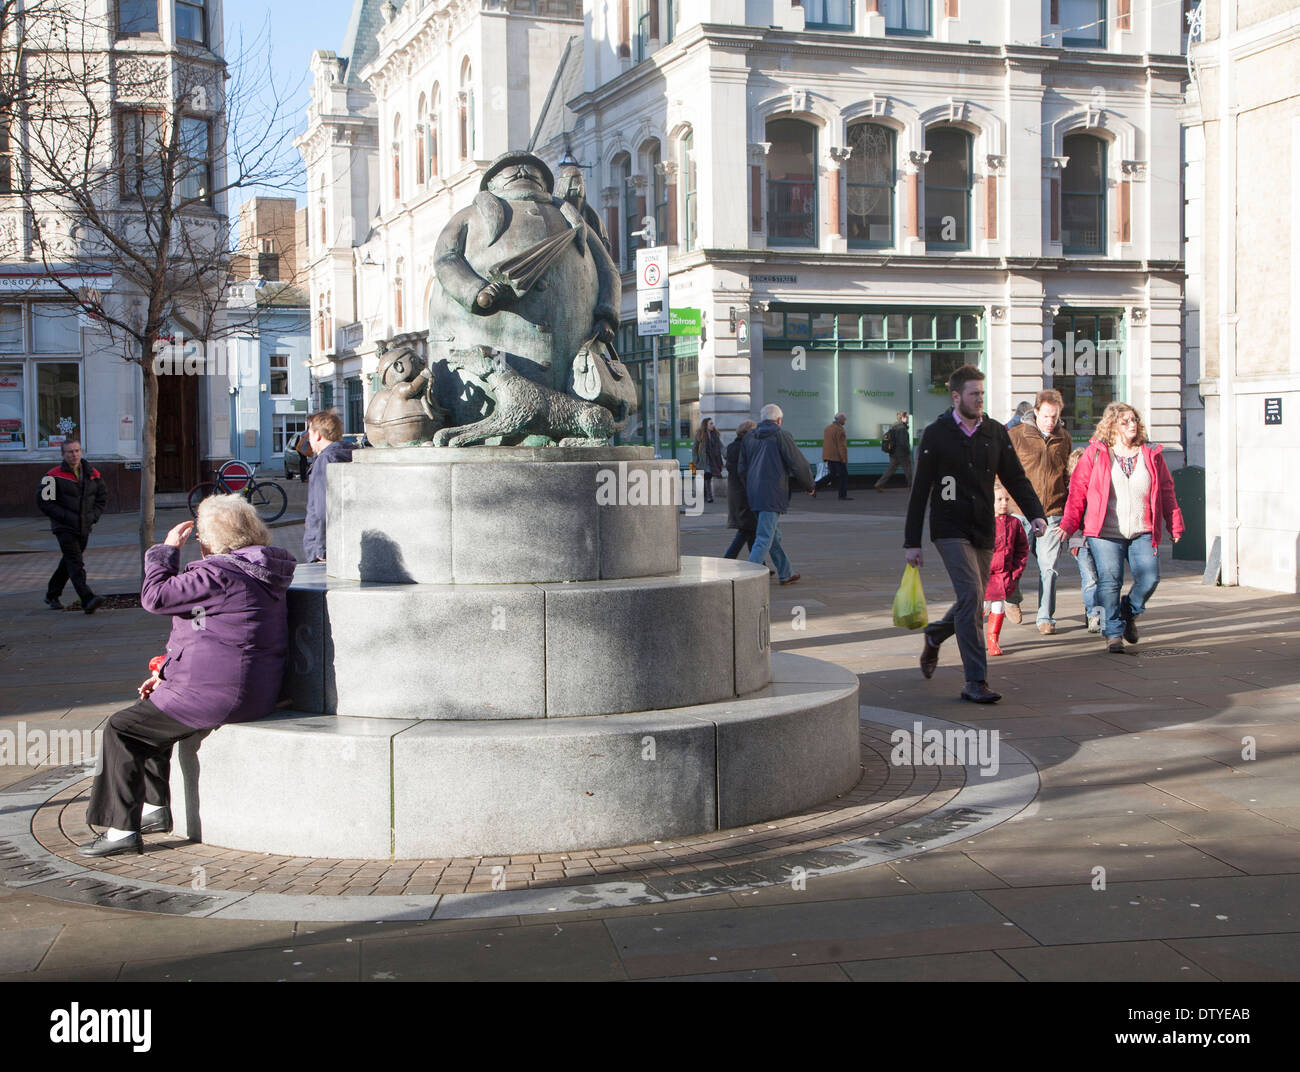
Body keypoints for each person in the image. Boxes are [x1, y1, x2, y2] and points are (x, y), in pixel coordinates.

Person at [78, 495, 298, 857]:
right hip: (251, 687)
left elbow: (155, 598)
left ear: (210, 539)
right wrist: (165, 672)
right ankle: (154, 810)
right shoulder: (260, 571)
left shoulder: (218, 574)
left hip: (219, 693)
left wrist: (165, 552)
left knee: (121, 728)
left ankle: (120, 831)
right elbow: (205, 633)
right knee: (148, 716)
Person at [904, 365, 1046, 704]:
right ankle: (975, 680)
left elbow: (1016, 478)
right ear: (956, 397)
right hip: (949, 529)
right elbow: (920, 489)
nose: (979, 399)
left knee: (974, 601)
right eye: (973, 394)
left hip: (985, 528)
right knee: (970, 596)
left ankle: (936, 634)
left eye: (982, 393)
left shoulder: (995, 432)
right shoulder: (937, 434)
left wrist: (1035, 513)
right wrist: (912, 542)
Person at [1061, 402, 1183, 653]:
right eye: (1125, 421)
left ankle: (1128, 611)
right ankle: (1113, 633)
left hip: (1142, 529)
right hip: (1105, 532)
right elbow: (1077, 493)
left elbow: (1167, 491)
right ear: (1112, 425)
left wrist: (1174, 523)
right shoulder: (1095, 454)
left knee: (1150, 577)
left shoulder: (1151, 455)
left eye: (1134, 420)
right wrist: (1068, 525)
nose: (1132, 425)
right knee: (1109, 583)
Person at [1006, 389, 1072, 634]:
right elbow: (1001, 472)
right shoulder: (1016, 436)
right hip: (1020, 512)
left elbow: (1066, 474)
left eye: (1054, 416)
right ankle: (1011, 597)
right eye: (1046, 415)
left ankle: (1046, 618)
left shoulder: (1064, 438)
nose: (1050, 421)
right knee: (1013, 565)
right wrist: (1000, 500)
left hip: (1052, 511)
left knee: (1049, 567)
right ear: (1035, 412)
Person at [738, 403, 814, 586]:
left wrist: (749, 487)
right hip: (772, 493)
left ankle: (786, 572)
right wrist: (809, 484)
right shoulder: (781, 435)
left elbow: (742, 468)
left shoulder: (749, 437)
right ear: (779, 420)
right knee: (765, 537)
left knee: (771, 535)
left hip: (754, 493)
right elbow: (798, 463)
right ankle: (747, 578)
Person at [38, 438, 107, 614]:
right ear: (63, 454)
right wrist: (64, 517)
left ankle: (52, 594)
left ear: (81, 452)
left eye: (76, 451)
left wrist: (93, 517)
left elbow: (101, 498)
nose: (74, 455)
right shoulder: (52, 475)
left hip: (84, 526)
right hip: (64, 527)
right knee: (76, 562)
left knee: (69, 562)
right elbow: (45, 502)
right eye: (69, 452)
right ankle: (87, 598)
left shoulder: (93, 474)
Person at [984, 481, 1029, 657]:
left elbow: (1021, 549)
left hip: (1003, 576)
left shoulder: (1015, 524)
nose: (1004, 503)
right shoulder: (983, 522)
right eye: (999, 499)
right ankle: (972, 639)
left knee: (998, 608)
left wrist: (1015, 572)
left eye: (1006, 499)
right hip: (985, 575)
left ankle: (993, 639)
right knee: (980, 607)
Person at [303, 409, 353, 563]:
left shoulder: (325, 460)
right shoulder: (353, 455)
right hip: (348, 543)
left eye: (309, 434)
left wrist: (320, 549)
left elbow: (323, 510)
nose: (309, 440)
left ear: (317, 435)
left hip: (324, 549)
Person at [1066, 447, 1102, 633]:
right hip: (1081, 540)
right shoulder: (1072, 490)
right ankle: (1093, 615)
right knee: (1090, 579)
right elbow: (1071, 515)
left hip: (1100, 538)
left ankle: (1098, 613)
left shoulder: (1101, 488)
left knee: (1103, 579)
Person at [724, 420, 759, 559]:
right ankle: (728, 558)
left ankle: (758, 562)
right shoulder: (745, 447)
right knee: (746, 529)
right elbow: (746, 472)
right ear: (749, 432)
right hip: (745, 493)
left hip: (736, 492)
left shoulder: (732, 447)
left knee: (750, 529)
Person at [875, 411, 913, 492]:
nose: (908, 419)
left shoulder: (894, 427)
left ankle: (879, 484)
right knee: (908, 469)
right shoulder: (902, 428)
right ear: (902, 418)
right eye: (906, 417)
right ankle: (913, 486)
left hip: (893, 453)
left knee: (890, 470)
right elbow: (903, 443)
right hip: (902, 453)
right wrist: (908, 451)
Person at [693, 417, 725, 504]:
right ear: (706, 425)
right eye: (710, 423)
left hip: (712, 459)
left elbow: (721, 446)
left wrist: (726, 455)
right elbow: (694, 448)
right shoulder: (700, 434)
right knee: (706, 476)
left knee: (708, 476)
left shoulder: (715, 434)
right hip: (703, 460)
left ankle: (705, 495)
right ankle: (709, 496)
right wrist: (695, 460)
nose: (712, 425)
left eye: (712, 423)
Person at [821, 412, 851, 500]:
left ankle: (814, 487)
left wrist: (825, 456)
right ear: (839, 419)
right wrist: (844, 458)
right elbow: (841, 446)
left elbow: (827, 443)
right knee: (844, 475)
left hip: (829, 456)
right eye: (844, 419)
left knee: (832, 475)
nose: (845, 420)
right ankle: (842, 495)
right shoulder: (840, 430)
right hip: (837, 456)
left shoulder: (828, 428)